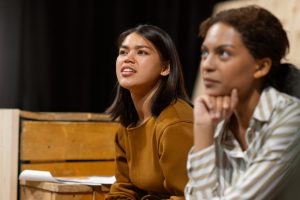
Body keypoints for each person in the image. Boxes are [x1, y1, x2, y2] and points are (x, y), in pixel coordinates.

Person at [185, 5, 300, 200]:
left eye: (223, 53)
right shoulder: (217, 119)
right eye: (205, 52)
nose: (206, 65)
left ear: (261, 66)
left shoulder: (291, 120)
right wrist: (204, 128)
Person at [105, 24, 193, 200]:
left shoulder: (175, 124)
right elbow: (124, 190)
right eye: (123, 52)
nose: (128, 59)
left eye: (142, 52)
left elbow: (190, 196)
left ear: (165, 68)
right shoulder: (128, 123)